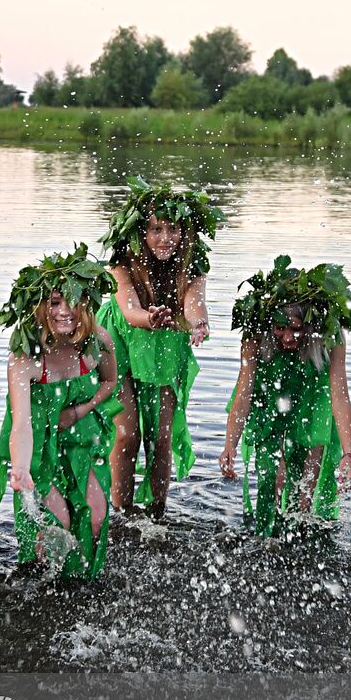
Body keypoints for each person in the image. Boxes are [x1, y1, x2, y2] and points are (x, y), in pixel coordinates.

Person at [95, 175, 225, 518]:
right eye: (156, 230)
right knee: (127, 433)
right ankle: (121, 512)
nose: (165, 238)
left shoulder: (192, 266)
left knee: (161, 435)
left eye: (172, 229)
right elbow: (128, 308)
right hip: (119, 342)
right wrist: (148, 318)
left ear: (184, 233)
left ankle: (157, 512)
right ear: (142, 232)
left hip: (165, 343)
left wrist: (199, 324)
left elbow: (194, 303)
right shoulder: (122, 263)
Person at [0, 245, 121, 578]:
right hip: (37, 447)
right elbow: (21, 424)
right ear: (38, 307)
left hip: (79, 439)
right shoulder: (25, 359)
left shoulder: (99, 342)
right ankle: (38, 588)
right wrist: (21, 467)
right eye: (54, 302)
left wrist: (81, 410)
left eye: (74, 300)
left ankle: (82, 584)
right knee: (57, 522)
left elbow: (110, 383)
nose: (66, 311)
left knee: (95, 514)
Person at [220, 256, 351, 536]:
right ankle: (266, 544)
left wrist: (348, 454)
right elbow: (244, 390)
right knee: (272, 479)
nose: (287, 337)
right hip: (269, 402)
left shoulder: (329, 336)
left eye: (296, 328)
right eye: (280, 328)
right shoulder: (255, 336)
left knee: (303, 494)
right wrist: (230, 445)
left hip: (312, 406)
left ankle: (298, 549)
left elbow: (339, 394)